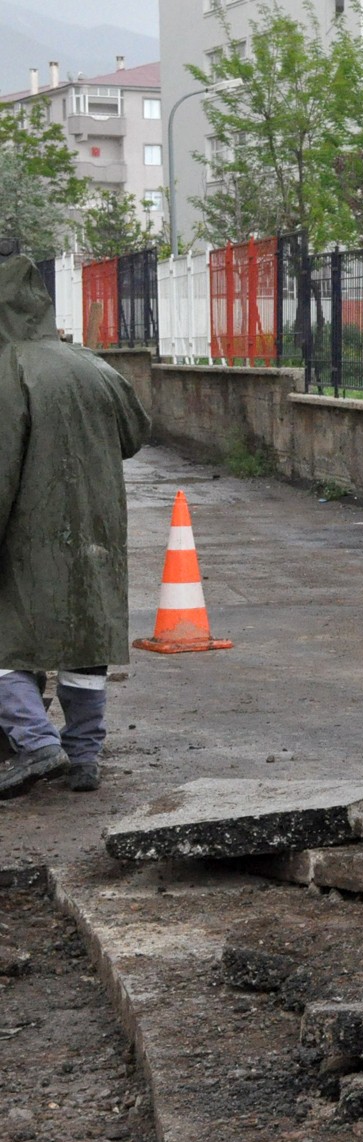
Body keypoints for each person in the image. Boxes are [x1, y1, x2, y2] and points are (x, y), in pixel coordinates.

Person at [0, 245, 151, 797]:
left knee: (10, 639)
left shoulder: (7, 370)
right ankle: (83, 756)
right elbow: (135, 435)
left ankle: (37, 745)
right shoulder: (92, 364)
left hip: (28, 536)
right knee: (86, 640)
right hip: (96, 530)